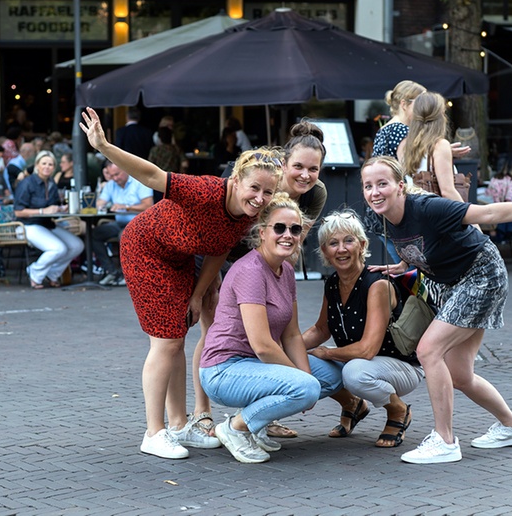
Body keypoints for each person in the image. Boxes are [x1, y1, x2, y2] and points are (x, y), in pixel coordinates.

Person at [79, 107, 283, 460]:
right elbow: (152, 175)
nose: (260, 199)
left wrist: (197, 295)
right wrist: (104, 147)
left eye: (268, 192)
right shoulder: (205, 191)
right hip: (144, 249)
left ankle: (177, 425)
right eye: (254, 188)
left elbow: (217, 251)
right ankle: (153, 432)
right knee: (168, 342)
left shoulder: (246, 216)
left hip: (180, 260)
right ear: (236, 180)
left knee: (178, 337)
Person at [360, 155, 512, 464]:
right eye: (368, 185)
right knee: (460, 374)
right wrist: (403, 263)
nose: (374, 192)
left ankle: (445, 440)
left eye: (382, 184)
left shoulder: (428, 208)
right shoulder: (379, 216)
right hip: (452, 283)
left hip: (482, 275)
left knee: (428, 351)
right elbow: (415, 243)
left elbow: (490, 212)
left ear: (400, 186)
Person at [190, 120, 329, 442]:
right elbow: (221, 242)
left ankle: (265, 411)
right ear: (284, 164)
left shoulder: (315, 194)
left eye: (314, 168)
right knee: (215, 333)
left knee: (271, 332)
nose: (306, 175)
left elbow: (291, 242)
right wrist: (201, 292)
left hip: (263, 260)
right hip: (220, 254)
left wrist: (281, 284)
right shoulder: (264, 188)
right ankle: (201, 412)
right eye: (298, 167)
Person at [199, 195, 347, 464]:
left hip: (256, 367)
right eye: (280, 228)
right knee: (307, 387)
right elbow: (263, 346)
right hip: (224, 371)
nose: (287, 235)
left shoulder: (285, 270)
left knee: (335, 374)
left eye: (295, 229)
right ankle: (236, 427)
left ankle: (258, 423)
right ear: (262, 232)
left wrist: (305, 377)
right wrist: (304, 384)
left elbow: (291, 335)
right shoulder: (251, 270)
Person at [303, 210, 424, 448]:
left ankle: (398, 411)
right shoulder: (332, 283)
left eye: (348, 241)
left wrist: (326, 353)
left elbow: (368, 350)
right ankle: (353, 405)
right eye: (333, 243)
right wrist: (284, 349)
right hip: (356, 361)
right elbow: (321, 329)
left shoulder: (377, 284)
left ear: (362, 244)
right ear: (324, 251)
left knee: (355, 373)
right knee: (301, 360)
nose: (341, 249)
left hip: (400, 367)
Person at [13, 151, 84, 289]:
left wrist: (62, 208)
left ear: (54, 168)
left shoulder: (51, 183)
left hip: (47, 224)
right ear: (37, 166)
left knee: (77, 245)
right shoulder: (27, 183)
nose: (47, 167)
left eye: (50, 164)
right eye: (44, 163)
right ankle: (35, 272)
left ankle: (52, 274)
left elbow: (54, 206)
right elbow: (18, 211)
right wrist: (42, 211)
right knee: (58, 248)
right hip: (28, 225)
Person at [92, 162, 154, 286]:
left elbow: (149, 206)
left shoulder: (139, 182)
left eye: (117, 174)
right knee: (94, 234)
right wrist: (100, 202)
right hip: (119, 223)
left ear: (125, 169)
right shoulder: (111, 185)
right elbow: (99, 203)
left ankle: (130, 275)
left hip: (139, 224)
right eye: (111, 175)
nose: (115, 178)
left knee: (124, 235)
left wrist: (126, 207)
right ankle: (111, 271)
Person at [398, 92, 464, 203]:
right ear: (440, 116)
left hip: (414, 209)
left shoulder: (404, 145)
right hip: (437, 212)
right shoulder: (440, 145)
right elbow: (447, 191)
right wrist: (471, 218)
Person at [373, 80, 425, 158]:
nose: (425, 107)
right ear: (404, 104)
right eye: (421, 102)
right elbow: (407, 167)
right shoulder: (403, 131)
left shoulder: (384, 129)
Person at [148, 126, 184, 203]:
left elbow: (149, 165)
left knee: (159, 204)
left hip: (158, 180)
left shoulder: (155, 150)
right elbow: (185, 164)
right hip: (174, 180)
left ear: (159, 138)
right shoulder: (176, 149)